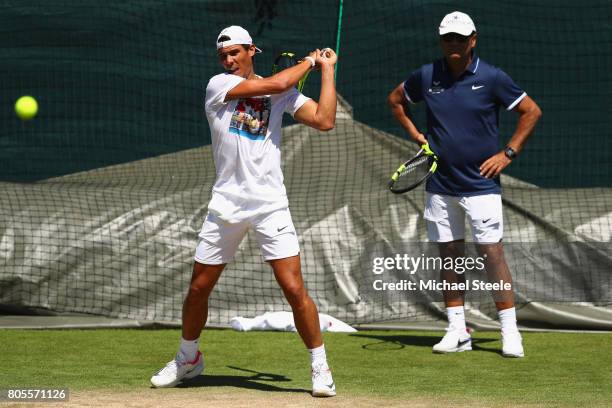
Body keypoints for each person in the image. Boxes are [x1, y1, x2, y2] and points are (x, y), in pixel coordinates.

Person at [151, 25, 338, 397]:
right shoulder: (218, 85)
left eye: (235, 53)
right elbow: (273, 85)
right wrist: (309, 63)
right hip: (226, 205)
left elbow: (324, 120)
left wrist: (328, 70)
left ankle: (321, 367)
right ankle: (188, 358)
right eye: (223, 55)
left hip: (270, 205)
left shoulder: (283, 92)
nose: (228, 60)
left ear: (252, 50)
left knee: (293, 287)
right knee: (198, 289)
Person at [388, 11, 541, 357]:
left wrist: (508, 153)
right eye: (448, 38)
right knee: (450, 256)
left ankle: (509, 330)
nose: (453, 44)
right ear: (441, 41)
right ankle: (458, 330)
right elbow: (395, 100)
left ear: (473, 40)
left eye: (460, 38)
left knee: (492, 254)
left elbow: (531, 111)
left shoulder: (492, 77)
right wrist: (417, 136)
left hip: (481, 185)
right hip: (440, 185)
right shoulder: (427, 75)